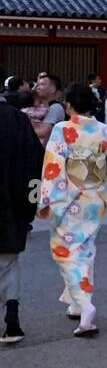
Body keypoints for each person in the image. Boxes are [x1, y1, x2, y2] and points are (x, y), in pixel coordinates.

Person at [37, 83, 107, 338]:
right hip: (94, 199)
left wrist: (45, 201)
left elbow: (53, 169)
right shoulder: (102, 130)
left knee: (65, 251)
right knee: (85, 249)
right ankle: (76, 303)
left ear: (68, 105)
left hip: (68, 201)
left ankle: (85, 306)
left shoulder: (62, 130)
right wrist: (105, 178)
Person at [0, 94, 44, 343]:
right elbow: (35, 163)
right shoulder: (17, 120)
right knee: (8, 262)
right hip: (11, 206)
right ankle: (12, 318)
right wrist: (31, 205)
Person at [25, 72, 65, 146]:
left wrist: (21, 131)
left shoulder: (56, 107)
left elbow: (43, 131)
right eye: (37, 84)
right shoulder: (36, 106)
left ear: (52, 89)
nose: (37, 87)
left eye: (42, 84)